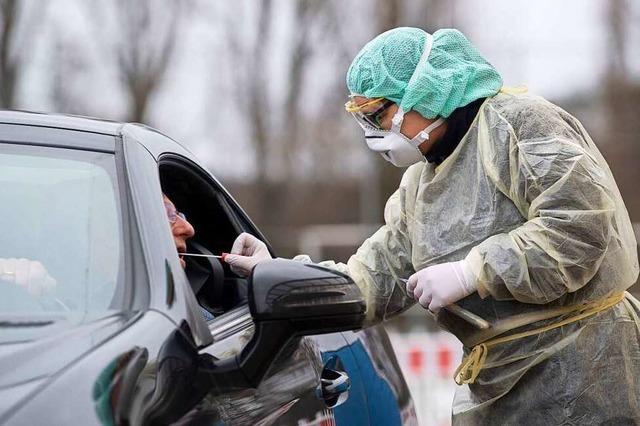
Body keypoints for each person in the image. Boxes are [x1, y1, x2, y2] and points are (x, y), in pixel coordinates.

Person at [224, 27, 640, 424]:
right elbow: (372, 279)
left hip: (585, 367)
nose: (372, 133)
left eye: (378, 114)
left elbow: (578, 229)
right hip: (497, 380)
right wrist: (283, 277)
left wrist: (472, 272)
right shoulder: (420, 185)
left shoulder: (521, 126)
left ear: (426, 90)